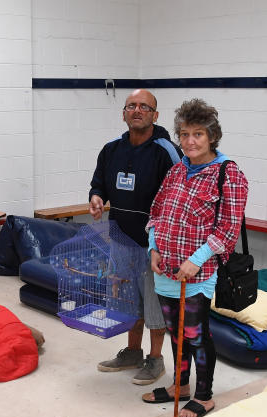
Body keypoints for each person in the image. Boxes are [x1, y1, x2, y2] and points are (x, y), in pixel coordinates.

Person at [142, 98, 249, 417]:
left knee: (195, 334)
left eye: (198, 134)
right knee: (176, 334)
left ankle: (203, 396)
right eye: (185, 134)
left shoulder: (228, 173)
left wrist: (198, 259)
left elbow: (228, 229)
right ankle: (180, 386)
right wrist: (153, 248)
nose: (190, 141)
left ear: (212, 136)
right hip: (166, 270)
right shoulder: (176, 171)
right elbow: (156, 213)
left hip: (197, 274)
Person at [89, 89, 180, 385]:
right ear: (124, 113)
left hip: (155, 244)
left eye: (144, 106)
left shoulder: (166, 150)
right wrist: (97, 197)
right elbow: (98, 183)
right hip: (121, 240)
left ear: (155, 115)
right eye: (132, 106)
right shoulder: (111, 149)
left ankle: (155, 359)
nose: (137, 110)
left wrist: (164, 242)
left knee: (153, 303)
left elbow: (177, 198)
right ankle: (131, 352)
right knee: (126, 300)